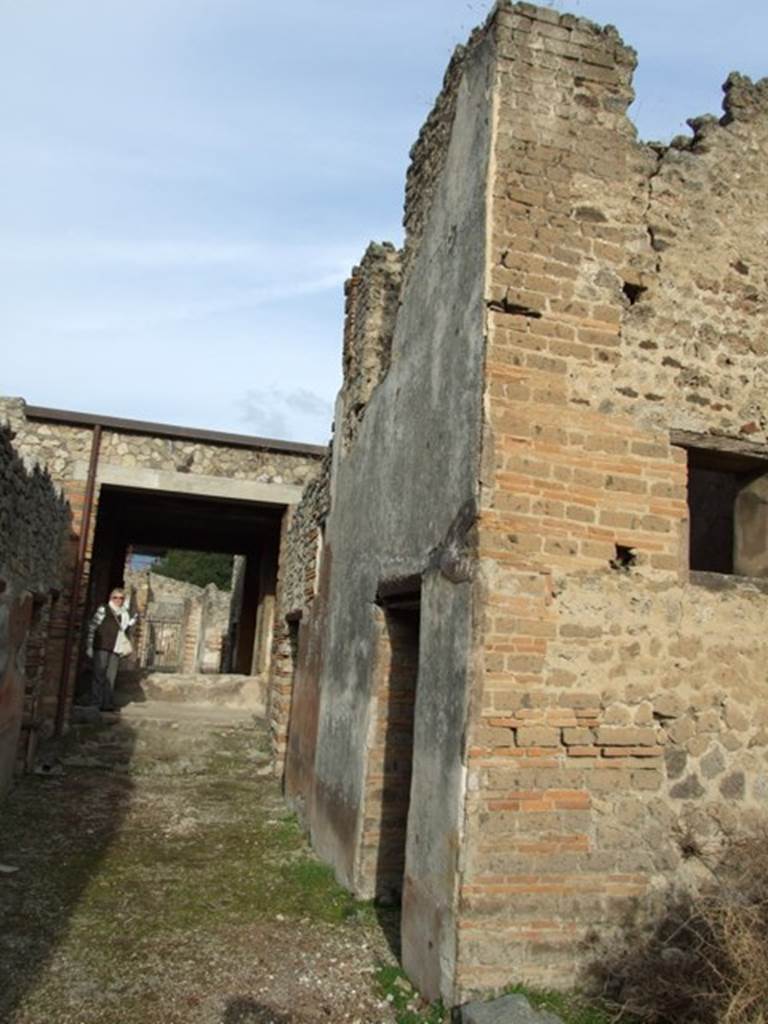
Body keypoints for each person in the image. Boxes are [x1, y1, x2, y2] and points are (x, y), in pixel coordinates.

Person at [86, 587, 137, 712]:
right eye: (116, 597)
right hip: (102, 646)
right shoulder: (103, 609)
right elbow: (93, 626)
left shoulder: (124, 614)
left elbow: (123, 628)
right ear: (111, 598)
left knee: (111, 677)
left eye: (121, 598)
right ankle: (95, 703)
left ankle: (106, 703)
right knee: (99, 675)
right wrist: (89, 645)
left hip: (116, 648)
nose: (118, 600)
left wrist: (132, 622)